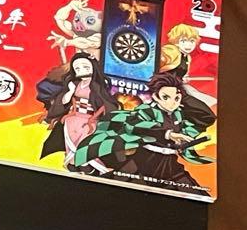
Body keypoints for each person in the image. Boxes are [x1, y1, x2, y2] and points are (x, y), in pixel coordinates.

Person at [73, 72, 211, 193]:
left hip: (170, 165)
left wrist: (184, 95)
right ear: (155, 96)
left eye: (176, 98)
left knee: (195, 192)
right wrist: (167, 134)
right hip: (143, 162)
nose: (172, 103)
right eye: (165, 97)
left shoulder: (178, 115)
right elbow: (136, 125)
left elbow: (206, 117)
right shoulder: (146, 110)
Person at [36, 53, 118, 167]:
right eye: (77, 69)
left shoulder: (97, 87)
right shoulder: (74, 84)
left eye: (86, 67)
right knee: (71, 147)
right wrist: (70, 91)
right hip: (72, 119)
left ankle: (93, 167)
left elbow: (105, 105)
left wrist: (95, 118)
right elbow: (64, 101)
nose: (82, 71)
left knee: (84, 147)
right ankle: (72, 164)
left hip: (90, 121)